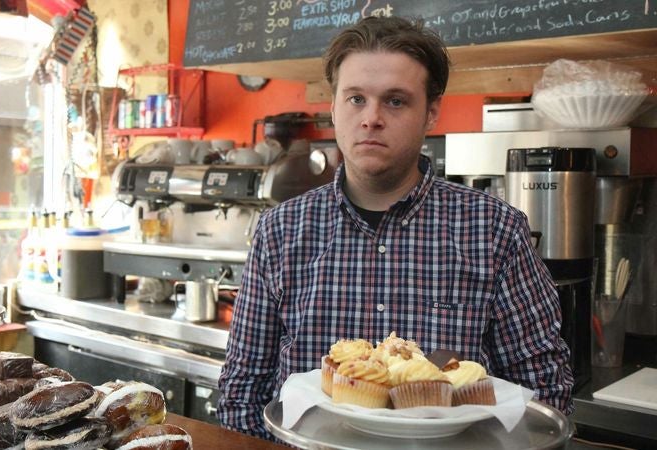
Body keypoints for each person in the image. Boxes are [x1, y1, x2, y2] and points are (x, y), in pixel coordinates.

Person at [217, 16, 574, 440]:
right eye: (355, 99)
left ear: (431, 113)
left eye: (396, 101)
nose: (371, 118)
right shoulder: (279, 231)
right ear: (333, 107)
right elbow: (242, 393)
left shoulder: (495, 231)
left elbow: (544, 393)